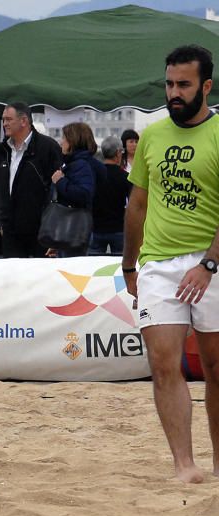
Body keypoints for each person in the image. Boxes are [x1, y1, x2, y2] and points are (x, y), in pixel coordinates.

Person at [122, 44, 219, 484]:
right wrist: (129, 266)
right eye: (169, 84)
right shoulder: (154, 137)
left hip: (212, 262)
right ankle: (184, 465)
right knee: (164, 363)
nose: (174, 93)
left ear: (206, 86)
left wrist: (209, 265)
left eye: (183, 84)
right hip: (159, 264)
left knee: (216, 368)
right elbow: (137, 205)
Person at [0, 102, 63, 257]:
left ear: (24, 121)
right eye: (3, 120)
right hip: (11, 229)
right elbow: (5, 188)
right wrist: (4, 219)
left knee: (41, 278)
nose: (4, 124)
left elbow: (57, 189)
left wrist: (54, 229)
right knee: (12, 278)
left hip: (41, 230)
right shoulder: (4, 149)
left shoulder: (47, 147)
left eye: (8, 119)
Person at [48, 121, 102, 257]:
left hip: (75, 231)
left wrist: (60, 181)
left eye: (64, 138)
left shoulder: (80, 165)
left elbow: (83, 194)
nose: (61, 142)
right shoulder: (78, 163)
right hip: (72, 230)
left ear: (73, 141)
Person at [89, 135, 130, 255]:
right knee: (119, 267)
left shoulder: (94, 175)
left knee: (93, 267)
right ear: (118, 153)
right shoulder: (125, 177)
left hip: (95, 228)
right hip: (118, 228)